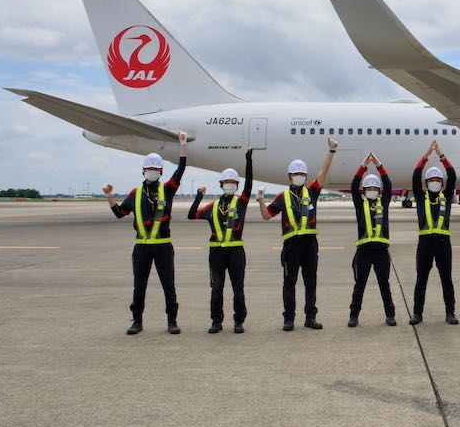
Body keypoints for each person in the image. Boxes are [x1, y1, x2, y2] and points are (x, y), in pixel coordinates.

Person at [104, 132, 188, 335]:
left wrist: (183, 145)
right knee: (139, 285)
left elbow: (181, 169)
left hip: (163, 246)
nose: (152, 171)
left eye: (155, 169)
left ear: (161, 171)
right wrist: (109, 196)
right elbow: (119, 213)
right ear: (143, 171)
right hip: (142, 247)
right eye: (149, 169)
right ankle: (137, 321)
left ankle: (172, 321)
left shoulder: (167, 190)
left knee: (168, 284)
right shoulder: (135, 194)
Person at [259, 137, 337, 331]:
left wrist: (331, 152)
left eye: (302, 174)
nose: (299, 176)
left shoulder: (311, 192)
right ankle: (289, 319)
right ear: (289, 176)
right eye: (296, 174)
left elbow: (323, 172)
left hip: (310, 244)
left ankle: (310, 318)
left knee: (311, 282)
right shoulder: (282, 197)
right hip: (291, 246)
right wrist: (260, 199)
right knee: (289, 283)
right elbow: (266, 215)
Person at [188, 149, 253, 334]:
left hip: (236, 253)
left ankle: (239, 321)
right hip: (216, 253)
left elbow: (249, 185)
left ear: (237, 186)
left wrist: (249, 162)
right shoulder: (213, 206)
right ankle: (216, 322)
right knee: (216, 288)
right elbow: (192, 215)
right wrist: (199, 197)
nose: (230, 185)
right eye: (227, 182)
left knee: (237, 289)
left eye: (233, 183)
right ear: (221, 184)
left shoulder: (241, 202)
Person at [409, 140, 458, 325]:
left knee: (447, 279)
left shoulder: (446, 196)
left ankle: (450, 313)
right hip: (425, 243)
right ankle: (417, 313)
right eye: (431, 180)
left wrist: (442, 156)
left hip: (443, 243)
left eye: (438, 180)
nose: (435, 183)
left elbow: (452, 175)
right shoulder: (421, 197)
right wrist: (426, 155)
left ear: (442, 183)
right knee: (421, 279)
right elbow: (415, 175)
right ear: (426, 183)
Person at [348, 152, 396, 327]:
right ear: (364, 191)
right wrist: (363, 166)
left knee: (385, 285)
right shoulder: (360, 204)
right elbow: (354, 186)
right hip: (363, 252)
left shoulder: (383, 203)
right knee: (359, 285)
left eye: (375, 189)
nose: (372, 191)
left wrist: (379, 165)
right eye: (369, 189)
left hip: (381, 252)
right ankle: (353, 316)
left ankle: (390, 315)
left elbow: (389, 185)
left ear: (379, 191)